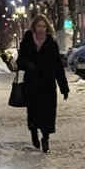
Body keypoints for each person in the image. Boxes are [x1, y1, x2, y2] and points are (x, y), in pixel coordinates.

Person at [16, 15, 69, 153]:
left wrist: (64, 87)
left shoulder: (51, 43)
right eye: (39, 26)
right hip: (32, 82)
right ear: (34, 27)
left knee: (48, 111)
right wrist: (28, 63)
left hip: (47, 83)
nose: (41, 29)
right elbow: (19, 62)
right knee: (33, 110)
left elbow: (57, 65)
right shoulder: (27, 41)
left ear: (47, 28)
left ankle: (45, 138)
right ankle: (34, 131)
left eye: (44, 26)